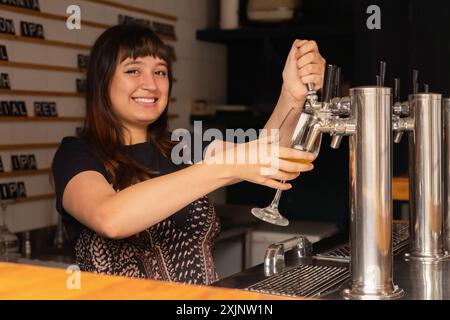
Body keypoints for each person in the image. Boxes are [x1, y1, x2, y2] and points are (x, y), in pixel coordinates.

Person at [52, 24, 325, 285]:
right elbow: (110, 218)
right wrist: (222, 168)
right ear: (102, 81)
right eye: (134, 70)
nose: (151, 84)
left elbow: (268, 150)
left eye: (160, 72)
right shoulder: (77, 154)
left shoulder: (183, 147)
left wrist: (291, 96)